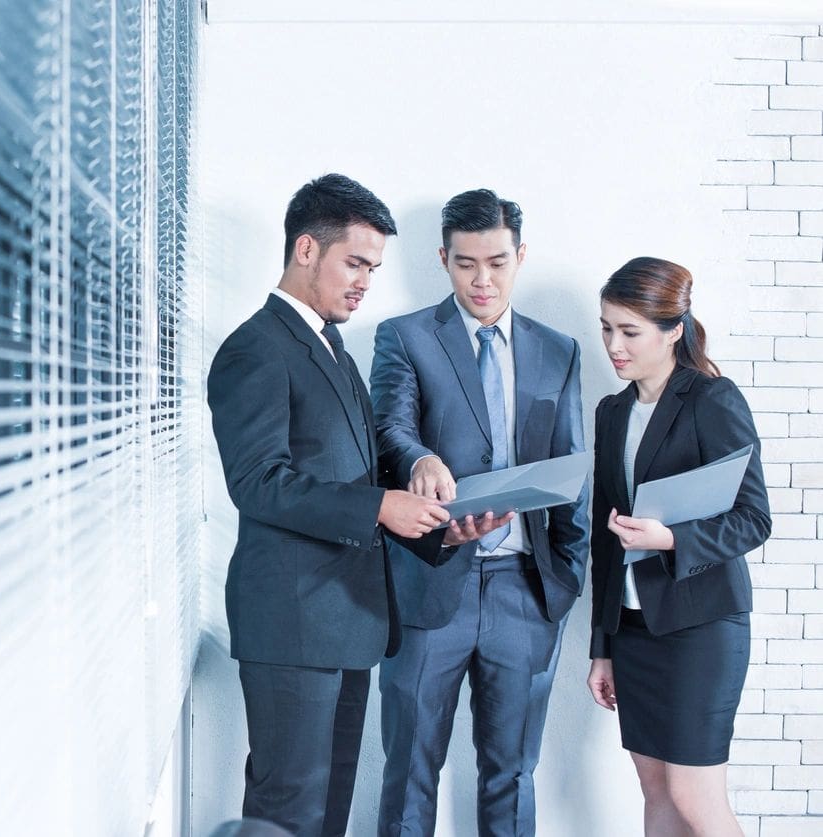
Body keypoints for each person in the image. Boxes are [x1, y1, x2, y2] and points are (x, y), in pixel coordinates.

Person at [207, 173, 456, 837]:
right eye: (355, 263)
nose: (365, 282)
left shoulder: (333, 349)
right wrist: (380, 506)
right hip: (291, 624)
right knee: (287, 812)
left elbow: (360, 468)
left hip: (343, 622)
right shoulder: (255, 349)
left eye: (373, 269)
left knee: (328, 817)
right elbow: (258, 481)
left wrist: (439, 528)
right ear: (307, 250)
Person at [370, 188, 589, 837]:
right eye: (466, 263)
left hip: (526, 592)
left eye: (496, 261)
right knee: (410, 770)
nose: (483, 279)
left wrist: (563, 583)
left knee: (511, 774)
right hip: (431, 584)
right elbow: (388, 425)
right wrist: (418, 460)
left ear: (520, 255)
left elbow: (572, 470)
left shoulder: (558, 350)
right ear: (443, 258)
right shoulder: (405, 336)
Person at [586, 257, 771, 836]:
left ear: (672, 330)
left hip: (702, 628)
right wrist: (603, 646)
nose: (614, 345)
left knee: (695, 795)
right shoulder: (612, 412)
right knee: (656, 791)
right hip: (635, 633)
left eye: (629, 331)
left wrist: (671, 539)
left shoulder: (712, 399)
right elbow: (602, 536)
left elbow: (754, 518)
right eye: (606, 328)